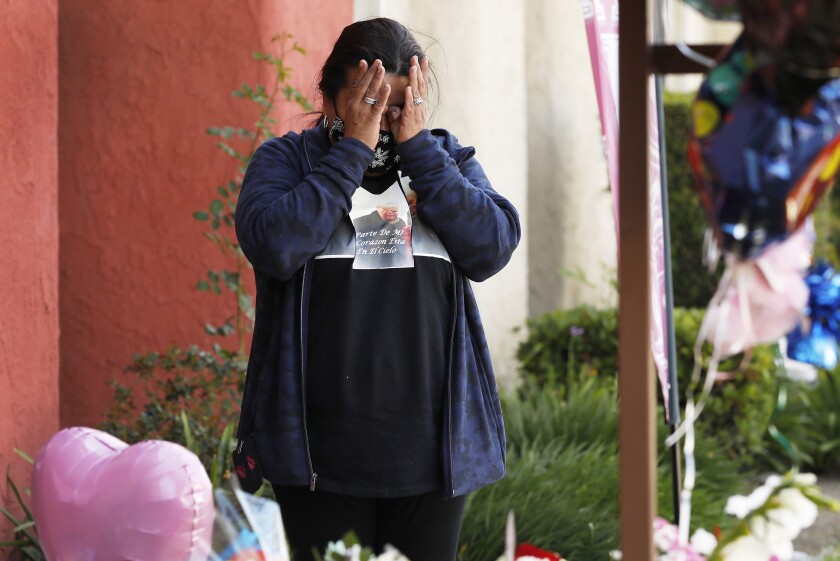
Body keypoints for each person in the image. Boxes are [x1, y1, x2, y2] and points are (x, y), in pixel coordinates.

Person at [233, 17, 520, 561]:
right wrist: (350, 155)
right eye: (366, 101)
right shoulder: (288, 163)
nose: (383, 120)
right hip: (317, 454)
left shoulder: (443, 162)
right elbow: (274, 244)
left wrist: (421, 156)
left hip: (432, 453)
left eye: (396, 105)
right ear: (328, 96)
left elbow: (492, 246)